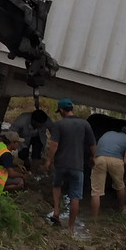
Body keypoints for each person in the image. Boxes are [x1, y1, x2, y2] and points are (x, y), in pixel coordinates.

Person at [46, 99, 95, 236]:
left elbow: (53, 145)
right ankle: (71, 229)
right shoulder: (85, 124)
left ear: (61, 110)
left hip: (60, 164)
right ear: (72, 108)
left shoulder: (59, 124)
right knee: (75, 196)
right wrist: (93, 157)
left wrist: (49, 160)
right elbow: (93, 145)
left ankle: (56, 212)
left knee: (57, 186)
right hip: (77, 166)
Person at [91, 126, 126, 218]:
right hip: (116, 161)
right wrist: (125, 168)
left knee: (96, 192)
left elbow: (97, 149)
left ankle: (94, 219)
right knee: (120, 186)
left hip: (99, 159)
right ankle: (121, 210)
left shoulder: (108, 133)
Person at [10, 108, 52, 173]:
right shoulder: (22, 120)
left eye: (42, 125)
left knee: (37, 153)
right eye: (38, 125)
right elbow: (12, 131)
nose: (40, 126)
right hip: (23, 138)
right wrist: (16, 143)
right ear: (33, 121)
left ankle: (33, 173)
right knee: (23, 154)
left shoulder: (47, 120)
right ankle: (26, 168)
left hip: (38, 137)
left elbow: (54, 131)